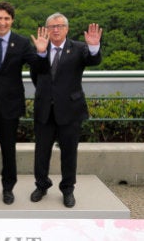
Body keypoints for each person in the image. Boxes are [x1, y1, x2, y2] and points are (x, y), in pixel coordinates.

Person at [0, 1, 49, 205]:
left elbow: (39, 67)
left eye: (6, 18)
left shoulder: (21, 43)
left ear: (12, 20)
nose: (2, 22)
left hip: (10, 104)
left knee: (8, 148)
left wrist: (41, 52)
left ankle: (8, 187)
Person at [29, 13, 102, 208]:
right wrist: (42, 54)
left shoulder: (78, 48)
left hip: (70, 110)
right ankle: (42, 185)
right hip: (44, 110)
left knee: (69, 153)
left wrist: (94, 46)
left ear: (66, 29)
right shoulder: (39, 48)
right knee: (41, 152)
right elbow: (35, 75)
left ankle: (67, 189)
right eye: (52, 26)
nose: (56, 29)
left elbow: (93, 61)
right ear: (46, 29)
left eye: (60, 26)